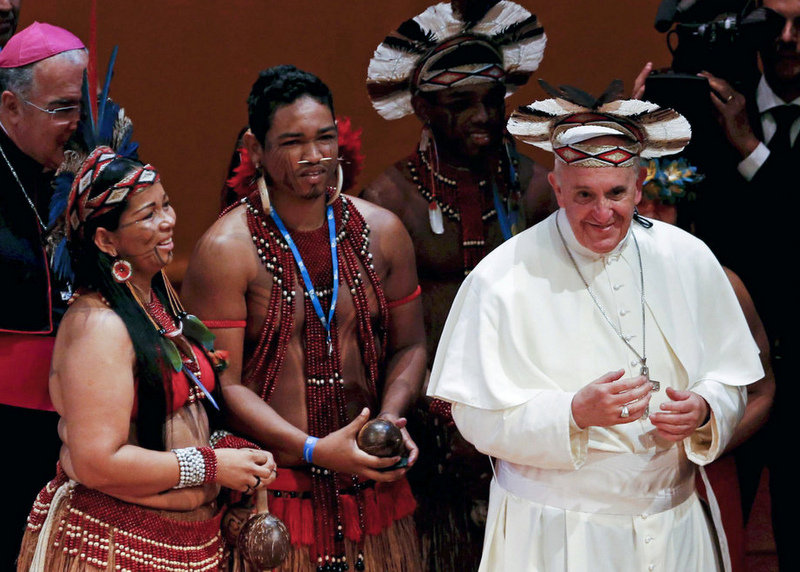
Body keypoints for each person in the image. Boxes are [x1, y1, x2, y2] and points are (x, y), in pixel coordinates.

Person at [427, 82, 764, 571]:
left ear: (639, 185)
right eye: (584, 194)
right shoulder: (502, 277)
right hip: (556, 534)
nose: (602, 213)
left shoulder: (689, 259)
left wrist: (706, 407)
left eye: (616, 193)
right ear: (557, 187)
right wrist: (571, 414)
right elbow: (475, 417)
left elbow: (733, 379)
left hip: (674, 528)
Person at [181, 65, 426, 572]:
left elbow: (410, 345)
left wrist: (390, 417)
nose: (314, 157)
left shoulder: (383, 232)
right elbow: (221, 385)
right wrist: (314, 449)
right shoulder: (226, 250)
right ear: (255, 148)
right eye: (294, 142)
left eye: (324, 138)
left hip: (374, 496)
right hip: (277, 502)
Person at [16, 144, 278, 571]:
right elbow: (96, 461)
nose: (168, 221)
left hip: (189, 541)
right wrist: (212, 464)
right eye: (148, 216)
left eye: (167, 205)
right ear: (106, 240)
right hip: (110, 547)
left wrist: (225, 450)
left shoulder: (154, 301)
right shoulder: (97, 326)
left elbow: (171, 418)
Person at [362, 3, 554, 568]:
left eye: (494, 100)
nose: (484, 115)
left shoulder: (538, 191)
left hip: (523, 424)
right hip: (432, 432)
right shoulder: (390, 202)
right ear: (422, 107)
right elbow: (380, 332)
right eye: (460, 102)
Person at [637, 158, 775, 572]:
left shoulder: (722, 281)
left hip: (701, 468)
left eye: (663, 204)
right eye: (641, 205)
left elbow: (762, 390)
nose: (650, 217)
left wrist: (703, 444)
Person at [0, 21, 86, 568]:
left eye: (82, 106)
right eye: (61, 110)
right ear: (11, 109)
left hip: (85, 410)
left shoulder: (86, 163)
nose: (77, 126)